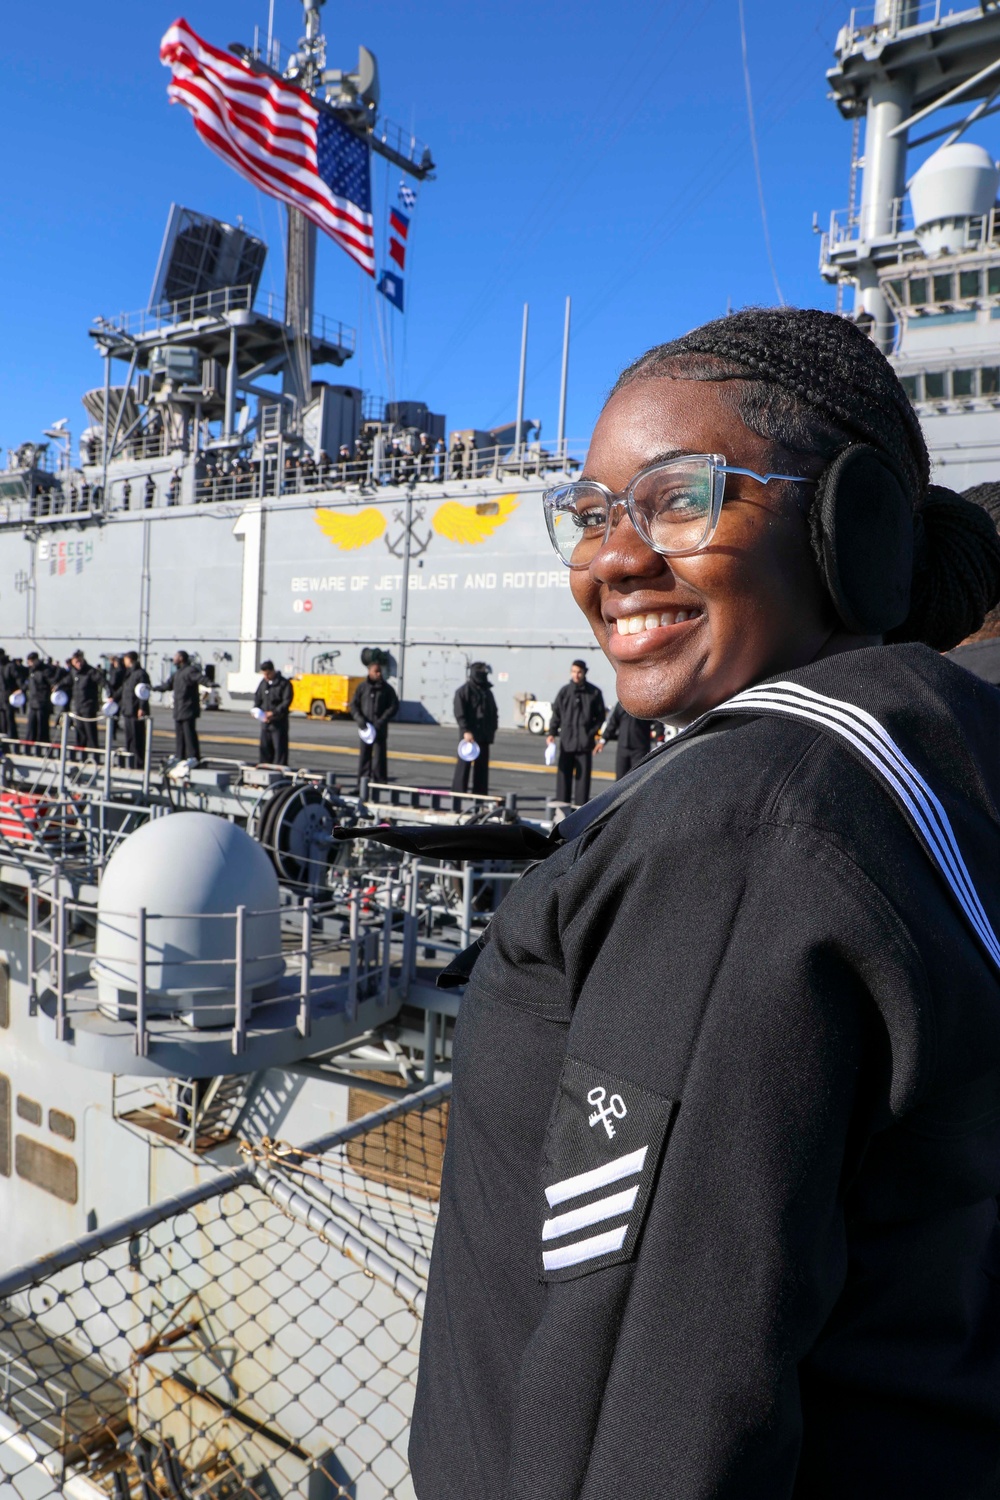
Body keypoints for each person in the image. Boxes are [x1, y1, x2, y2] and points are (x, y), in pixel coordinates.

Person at [409, 306, 1000, 1500]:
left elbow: (648, 1401)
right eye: (589, 513)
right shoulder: (918, 753)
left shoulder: (741, 830)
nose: (611, 558)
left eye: (681, 499)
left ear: (851, 525)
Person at [546, 659, 606, 805]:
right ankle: (562, 809)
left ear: (585, 672)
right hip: (567, 742)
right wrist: (551, 733)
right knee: (563, 778)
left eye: (579, 672)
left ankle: (580, 809)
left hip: (584, 744)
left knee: (583, 781)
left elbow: (600, 717)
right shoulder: (564, 692)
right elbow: (556, 714)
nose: (576, 675)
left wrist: (590, 732)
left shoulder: (594, 692)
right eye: (573, 671)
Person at [451, 661, 499, 795]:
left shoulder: (487, 692)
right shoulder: (464, 691)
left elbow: (493, 711)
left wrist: (492, 729)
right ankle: (458, 793)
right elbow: (459, 713)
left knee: (482, 768)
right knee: (463, 766)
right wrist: (465, 730)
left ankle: (480, 794)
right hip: (469, 736)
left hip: (484, 735)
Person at [350, 658, 398, 785]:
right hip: (366, 730)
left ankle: (379, 784)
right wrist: (359, 719)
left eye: (380, 671)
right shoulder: (362, 687)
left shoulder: (387, 689)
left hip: (379, 729)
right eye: (376, 671)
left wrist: (381, 721)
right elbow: (354, 705)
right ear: (369, 672)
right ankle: (362, 785)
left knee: (379, 758)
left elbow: (393, 706)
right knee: (364, 757)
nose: (379, 674)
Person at [154, 650, 203, 762]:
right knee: (180, 736)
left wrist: (209, 683)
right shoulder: (177, 673)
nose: (174, 658)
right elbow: (167, 686)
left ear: (181, 658)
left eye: (176, 656)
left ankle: (194, 758)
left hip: (188, 708)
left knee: (189, 735)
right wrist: (155, 688)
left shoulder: (190, 671)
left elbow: (199, 678)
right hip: (179, 709)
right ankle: (180, 757)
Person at [595, 701, 658, 777]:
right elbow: (612, 723)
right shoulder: (622, 704)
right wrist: (603, 741)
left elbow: (657, 723)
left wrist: (659, 741)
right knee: (620, 779)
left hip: (640, 749)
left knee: (638, 777)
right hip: (623, 748)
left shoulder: (646, 703)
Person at [253, 659, 293, 766]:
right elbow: (258, 698)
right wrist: (256, 710)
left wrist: (273, 713)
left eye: (268, 674)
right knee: (265, 749)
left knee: (279, 749)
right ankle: (264, 769)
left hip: (278, 723)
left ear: (273, 671)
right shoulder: (263, 683)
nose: (266, 677)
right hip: (265, 723)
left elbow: (286, 702)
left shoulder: (284, 684)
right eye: (264, 674)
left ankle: (279, 770)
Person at [118, 651, 151, 766]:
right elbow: (124, 690)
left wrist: (141, 708)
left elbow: (144, 692)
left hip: (135, 709)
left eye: (125, 659)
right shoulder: (129, 673)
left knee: (137, 738)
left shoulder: (140, 674)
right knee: (130, 738)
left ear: (130, 659)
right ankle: (131, 760)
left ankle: (139, 762)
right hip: (128, 709)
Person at [68, 649, 105, 749]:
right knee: (80, 730)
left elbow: (102, 681)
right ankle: (80, 750)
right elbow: (67, 681)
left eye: (80, 661)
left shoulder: (90, 671)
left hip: (88, 706)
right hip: (78, 706)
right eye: (76, 662)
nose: (79, 664)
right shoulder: (73, 672)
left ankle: (93, 750)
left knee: (90, 731)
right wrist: (57, 686)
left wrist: (110, 694)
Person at [24, 653, 56, 743]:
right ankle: (30, 742)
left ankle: (43, 742)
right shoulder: (32, 671)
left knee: (42, 725)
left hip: (42, 702)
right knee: (31, 724)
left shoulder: (45, 670)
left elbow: (52, 681)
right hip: (33, 701)